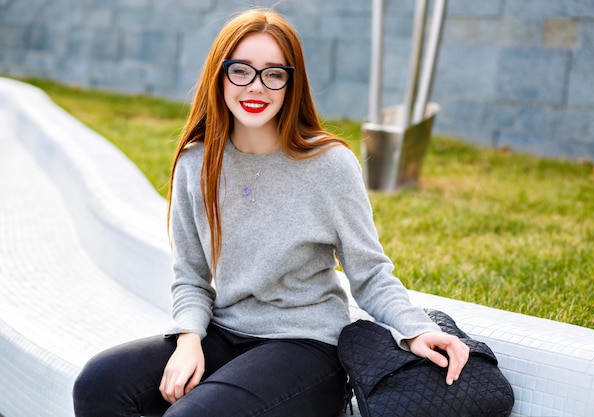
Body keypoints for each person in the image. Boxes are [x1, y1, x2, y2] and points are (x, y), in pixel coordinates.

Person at [73, 8, 469, 417]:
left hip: (307, 345)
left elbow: (368, 274)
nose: (256, 87)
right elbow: (190, 275)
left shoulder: (328, 164)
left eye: (274, 74)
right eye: (241, 70)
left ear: (290, 83)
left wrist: (417, 328)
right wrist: (189, 337)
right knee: (99, 383)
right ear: (219, 74)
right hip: (225, 332)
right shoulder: (197, 162)